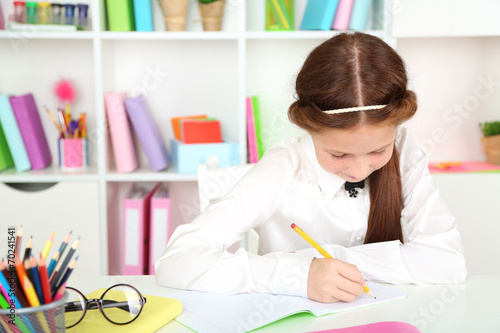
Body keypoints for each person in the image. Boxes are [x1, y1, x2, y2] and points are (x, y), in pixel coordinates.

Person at [155, 32, 467, 303]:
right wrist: (291, 276)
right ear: (309, 129)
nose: (359, 170)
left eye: (377, 150)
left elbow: (447, 262)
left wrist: (309, 262)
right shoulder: (284, 167)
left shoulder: (404, 150)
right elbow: (177, 261)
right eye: (339, 154)